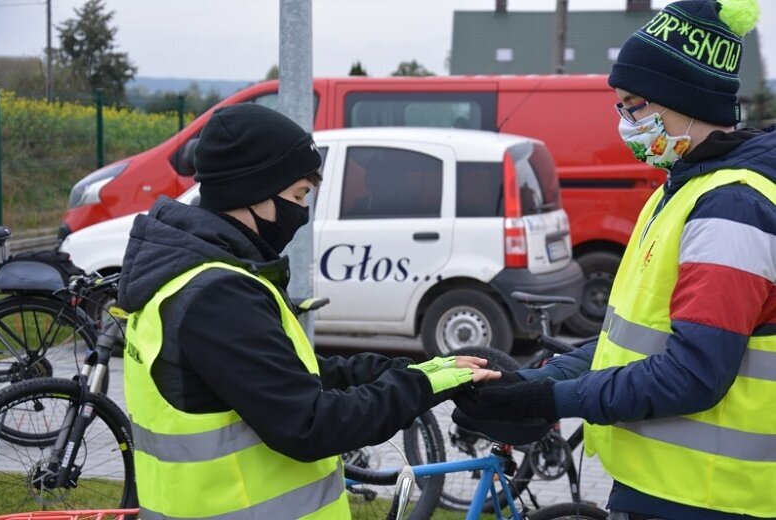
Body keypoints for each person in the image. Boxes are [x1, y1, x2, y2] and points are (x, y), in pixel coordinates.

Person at [454, 1, 776, 519]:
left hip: (709, 497)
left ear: (682, 100)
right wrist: (537, 382)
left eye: (634, 105)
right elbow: (630, 343)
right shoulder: (682, 189)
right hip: (668, 485)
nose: (624, 123)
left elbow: (693, 374)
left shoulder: (732, 205)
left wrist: (551, 402)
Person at [118, 103, 500, 520]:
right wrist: (418, 390)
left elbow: (293, 373)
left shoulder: (195, 278)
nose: (302, 212)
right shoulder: (218, 295)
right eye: (299, 195)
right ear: (252, 191)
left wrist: (411, 371)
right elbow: (310, 425)